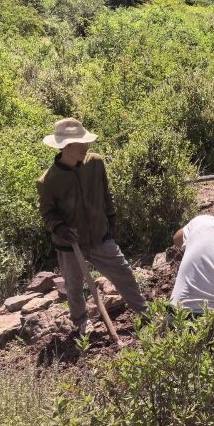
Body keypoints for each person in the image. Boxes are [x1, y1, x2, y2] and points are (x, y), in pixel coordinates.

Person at [37, 118, 147, 336]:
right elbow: (47, 214)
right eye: (80, 144)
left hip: (99, 236)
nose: (86, 146)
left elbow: (106, 195)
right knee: (74, 286)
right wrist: (60, 228)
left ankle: (144, 311)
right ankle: (81, 322)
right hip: (70, 244)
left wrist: (112, 220)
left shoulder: (95, 163)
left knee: (123, 271)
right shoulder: (48, 181)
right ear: (65, 147)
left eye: (85, 142)